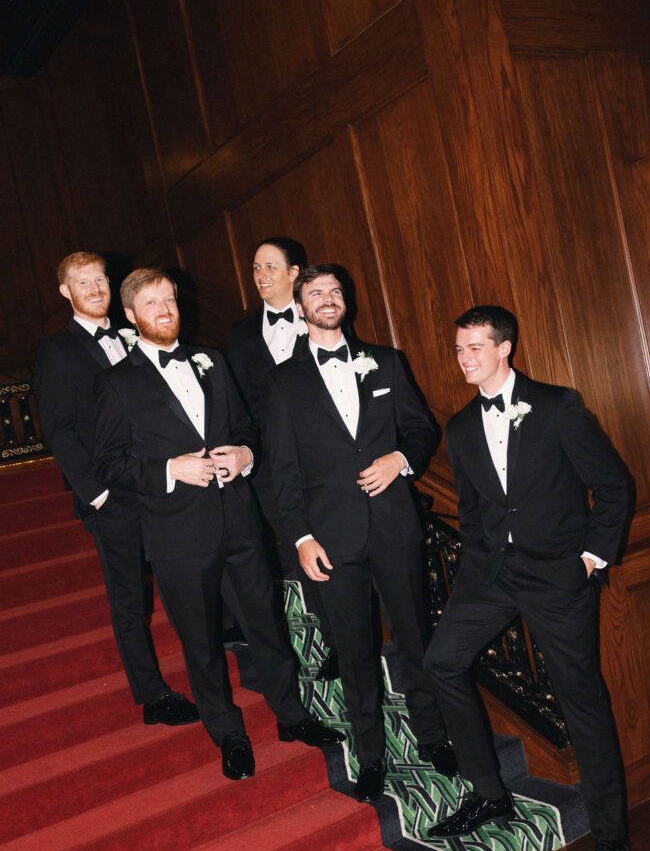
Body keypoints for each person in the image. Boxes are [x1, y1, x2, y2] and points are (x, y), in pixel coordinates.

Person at [94, 268, 342, 780]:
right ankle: (228, 733)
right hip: (177, 537)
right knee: (201, 642)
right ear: (131, 315)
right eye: (151, 302)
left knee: (267, 627)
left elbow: (248, 428)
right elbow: (109, 465)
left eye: (169, 299)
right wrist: (170, 470)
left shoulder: (213, 361)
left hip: (240, 524)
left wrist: (245, 455)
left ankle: (292, 717)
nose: (164, 309)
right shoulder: (115, 384)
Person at [423, 305, 630, 851]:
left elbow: (613, 485)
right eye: (459, 349)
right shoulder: (460, 427)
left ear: (504, 348)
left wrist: (592, 559)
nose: (464, 359)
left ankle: (612, 836)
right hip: (491, 576)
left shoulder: (559, 405)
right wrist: (471, 576)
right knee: (442, 662)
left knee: (580, 699)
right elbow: (470, 509)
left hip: (559, 576)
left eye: (475, 348)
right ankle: (490, 794)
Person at [265, 264, 458, 801]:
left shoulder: (387, 362)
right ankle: (371, 755)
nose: (327, 299)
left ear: (346, 302)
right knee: (353, 651)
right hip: (330, 540)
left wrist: (400, 458)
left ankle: (433, 735)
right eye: (315, 294)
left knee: (417, 638)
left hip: (394, 528)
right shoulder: (283, 382)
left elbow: (422, 428)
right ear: (300, 309)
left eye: (335, 291)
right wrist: (301, 539)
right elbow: (282, 473)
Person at [34, 252, 199, 728]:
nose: (95, 286)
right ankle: (152, 696)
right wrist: (97, 495)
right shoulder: (56, 350)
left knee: (181, 582)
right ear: (65, 291)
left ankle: (203, 668)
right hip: (112, 496)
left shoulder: (137, 333)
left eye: (101, 278)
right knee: (130, 599)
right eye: (82, 281)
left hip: (159, 481)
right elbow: (60, 431)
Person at [225, 237, 338, 679]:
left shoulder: (322, 316)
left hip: (327, 460)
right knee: (298, 554)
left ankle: (354, 634)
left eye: (270, 266)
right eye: (255, 268)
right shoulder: (239, 334)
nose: (260, 275)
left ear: (295, 272)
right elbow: (240, 405)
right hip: (272, 469)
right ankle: (331, 641)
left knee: (340, 547)